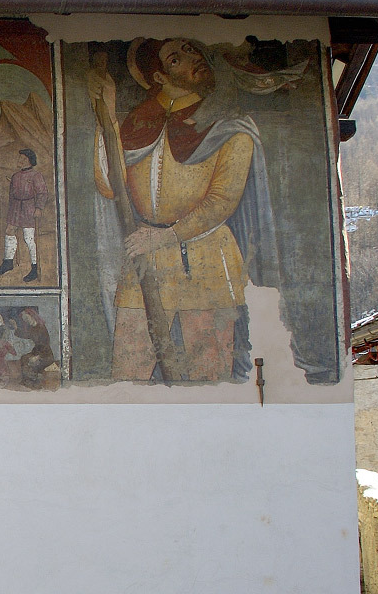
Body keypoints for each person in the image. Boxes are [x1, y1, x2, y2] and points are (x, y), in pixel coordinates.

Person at [89, 37, 280, 383]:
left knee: (208, 375)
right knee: (128, 374)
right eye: (175, 59)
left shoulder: (230, 126)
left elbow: (222, 201)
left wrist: (167, 237)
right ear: (159, 77)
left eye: (192, 50)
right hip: (144, 256)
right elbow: (109, 185)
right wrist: (109, 116)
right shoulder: (138, 123)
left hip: (207, 256)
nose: (192, 59)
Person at [0, 149, 49, 283]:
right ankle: (8, 262)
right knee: (9, 231)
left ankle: (35, 268)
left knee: (29, 238)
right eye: (20, 158)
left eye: (23, 159)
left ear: (29, 160)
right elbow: (11, 194)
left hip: (29, 207)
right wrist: (11, 210)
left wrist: (38, 208)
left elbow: (42, 193)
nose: (19, 161)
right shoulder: (15, 176)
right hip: (15, 208)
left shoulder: (36, 175)